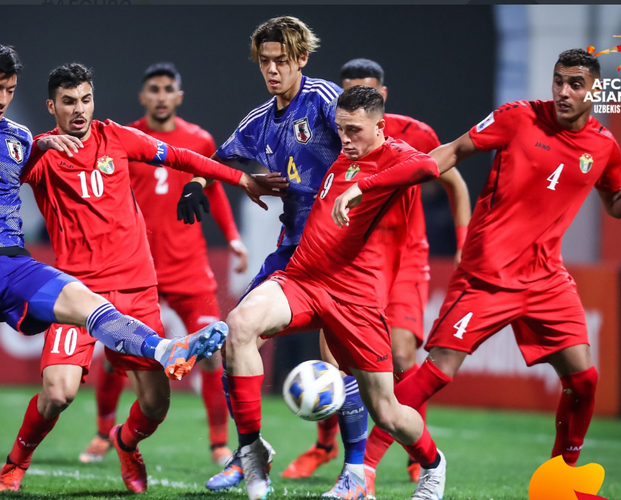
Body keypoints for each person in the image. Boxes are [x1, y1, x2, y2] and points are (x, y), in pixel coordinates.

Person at [362, 49, 621, 481]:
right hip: (487, 274)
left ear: (596, 90)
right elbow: (454, 150)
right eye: (558, 81)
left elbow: (614, 204)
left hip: (546, 279)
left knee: (585, 379)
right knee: (436, 374)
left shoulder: (604, 146)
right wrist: (395, 177)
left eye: (575, 84)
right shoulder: (518, 117)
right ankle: (362, 468)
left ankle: (562, 478)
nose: (562, 91)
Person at [0, 62, 274, 494]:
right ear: (52, 106)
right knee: (58, 393)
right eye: (68, 102)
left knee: (156, 404)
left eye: (85, 99)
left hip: (136, 289)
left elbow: (182, 157)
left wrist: (240, 178)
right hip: (75, 294)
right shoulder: (40, 154)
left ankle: (125, 442)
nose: (79, 109)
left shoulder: (117, 137)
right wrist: (35, 149)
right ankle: (14, 465)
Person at [0, 41, 217, 424]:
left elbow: (25, 158)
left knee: (89, 304)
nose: (3, 100)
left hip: (14, 262)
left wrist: (40, 143)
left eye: (10, 91)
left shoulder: (19, 135)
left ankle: (165, 351)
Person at [224, 85, 447, 500]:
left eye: (355, 131)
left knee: (387, 410)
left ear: (380, 127)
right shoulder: (343, 150)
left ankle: (433, 464)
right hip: (304, 278)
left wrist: (364, 187)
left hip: (354, 298)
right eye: (341, 129)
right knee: (239, 326)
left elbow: (430, 168)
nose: (345, 139)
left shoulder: (394, 155)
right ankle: (252, 450)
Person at [175, 17, 367, 495]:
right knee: (236, 333)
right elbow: (220, 157)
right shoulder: (261, 120)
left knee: (346, 364)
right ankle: (250, 454)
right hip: (293, 254)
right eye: (265, 61)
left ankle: (358, 471)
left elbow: (365, 146)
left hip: (341, 255)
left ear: (302, 58)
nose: (273, 69)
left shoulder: (323, 100)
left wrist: (357, 193)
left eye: (282, 60)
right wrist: (198, 183)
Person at [78, 62, 243, 467]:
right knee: (119, 356)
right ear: (143, 96)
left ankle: (219, 443)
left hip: (189, 267)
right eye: (154, 89)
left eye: (169, 89)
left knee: (212, 353)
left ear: (179, 96)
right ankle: (103, 434)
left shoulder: (198, 139)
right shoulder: (124, 139)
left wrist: (234, 239)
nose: (161, 96)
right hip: (136, 268)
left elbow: (214, 192)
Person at [338, 58, 470, 489]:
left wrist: (465, 240)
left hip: (408, 254)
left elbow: (454, 182)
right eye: (350, 90)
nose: (357, 99)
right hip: (359, 257)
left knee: (402, 356)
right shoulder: (337, 133)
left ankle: (420, 457)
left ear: (383, 96)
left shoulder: (417, 134)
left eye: (367, 90)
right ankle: (348, 461)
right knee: (345, 366)